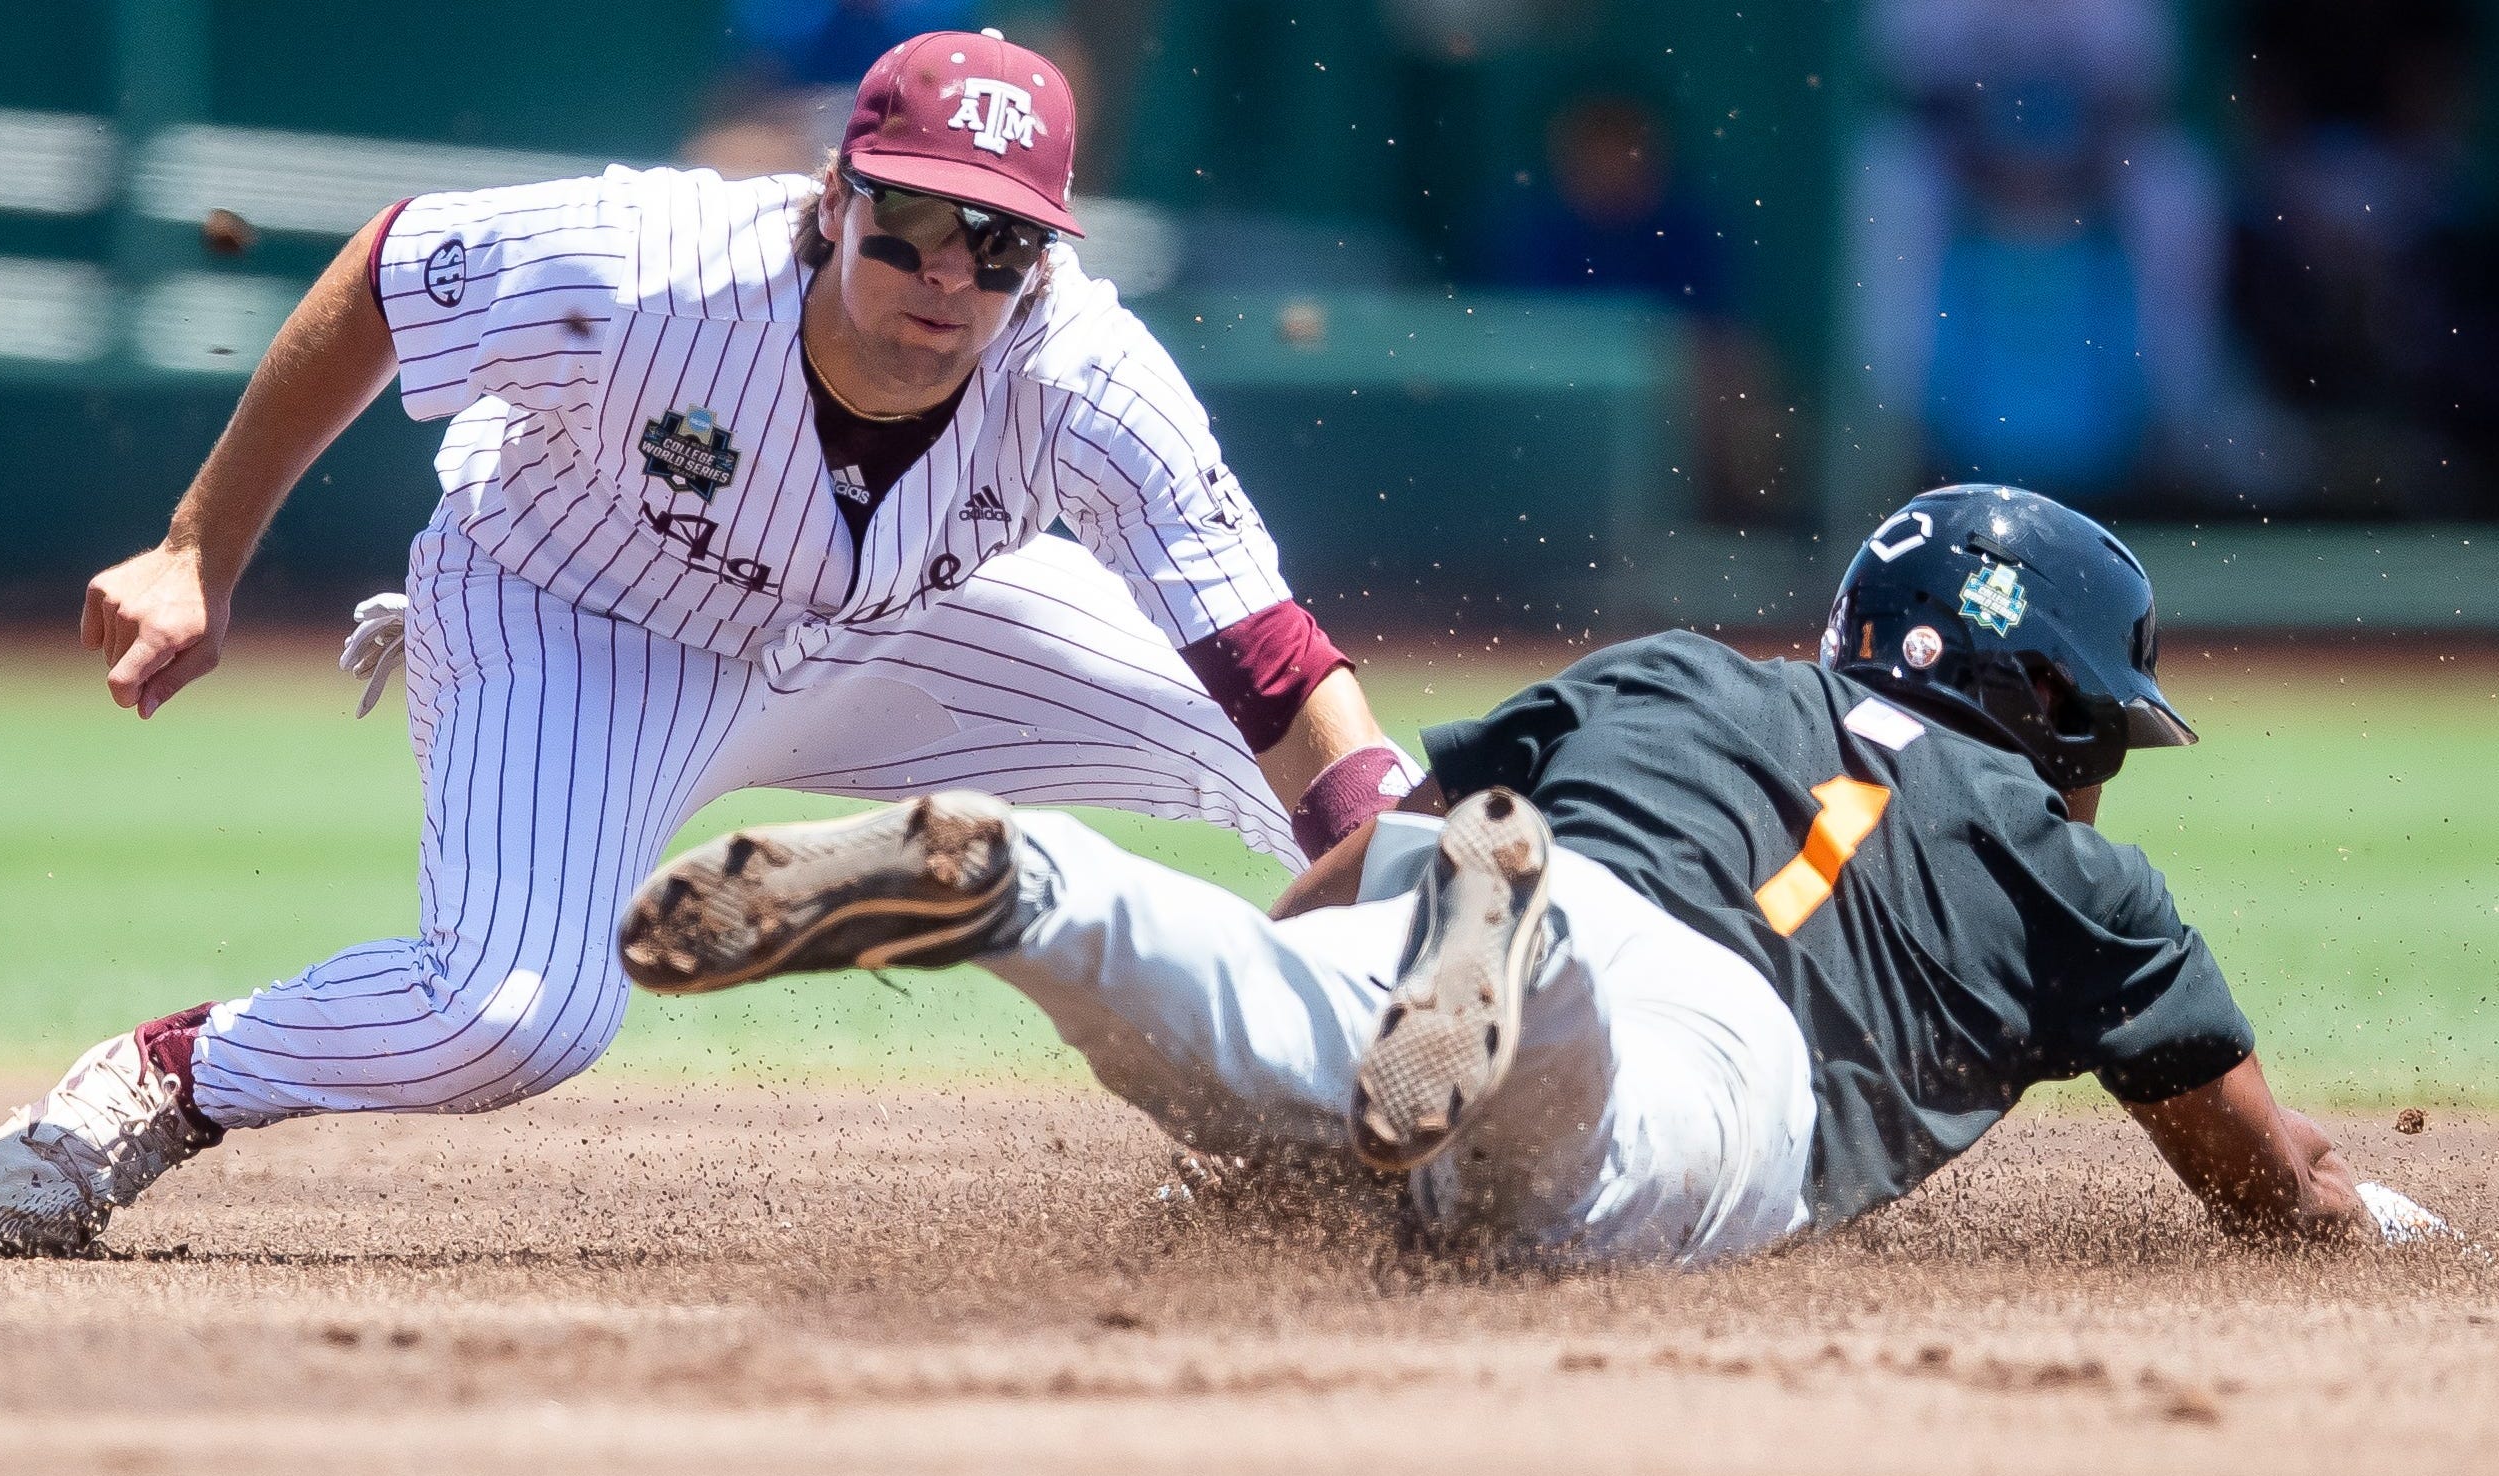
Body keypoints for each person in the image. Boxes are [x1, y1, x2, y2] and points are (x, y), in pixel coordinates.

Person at [0, 29, 1419, 1257]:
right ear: (840, 194)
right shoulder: (655, 265)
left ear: (1042, 255)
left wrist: (1390, 856)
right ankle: (163, 1082)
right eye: (913, 219)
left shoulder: (1086, 373)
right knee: (510, 1017)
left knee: (1324, 784)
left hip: (885, 630)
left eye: (1001, 242)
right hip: (581, 616)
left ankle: (1368, 1113)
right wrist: (200, 549)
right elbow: (398, 271)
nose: (950, 274)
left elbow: (1277, 669)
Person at [615, 484, 2456, 1265]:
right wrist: (2397, 1237)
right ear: (2040, 696)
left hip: (1502, 875)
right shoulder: (2077, 882)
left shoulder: (1678, 670)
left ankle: (1036, 889)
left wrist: (1231, 1154)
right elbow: (2271, 1189)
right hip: (1728, 1062)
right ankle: (1523, 974)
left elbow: (1354, 853)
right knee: (1562, 1180)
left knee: (1300, 1042)